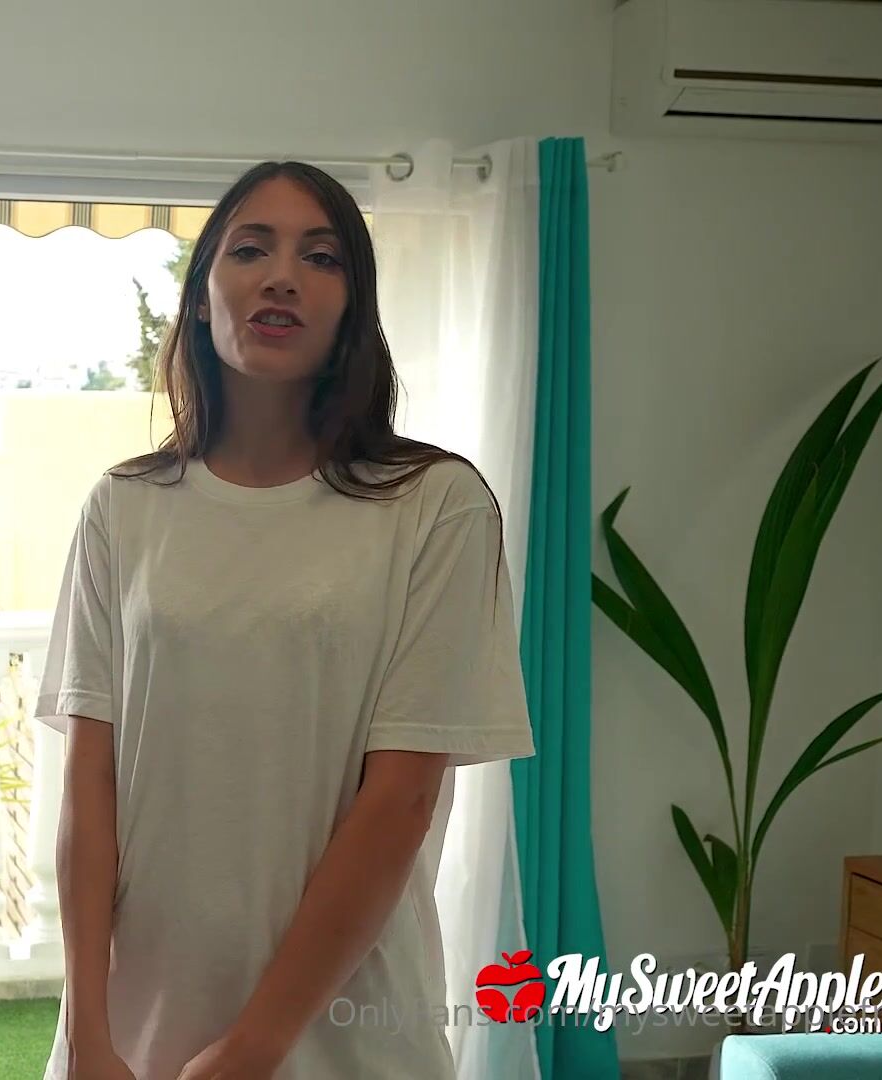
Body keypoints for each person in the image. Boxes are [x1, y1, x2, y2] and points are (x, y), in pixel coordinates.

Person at [39, 161, 537, 1080]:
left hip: (347, 1035)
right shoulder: (125, 506)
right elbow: (89, 783)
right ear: (200, 298)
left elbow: (402, 802)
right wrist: (87, 1032)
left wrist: (254, 1046)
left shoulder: (436, 504)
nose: (282, 277)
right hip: (137, 1026)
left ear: (355, 306)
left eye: (321, 257)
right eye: (250, 250)